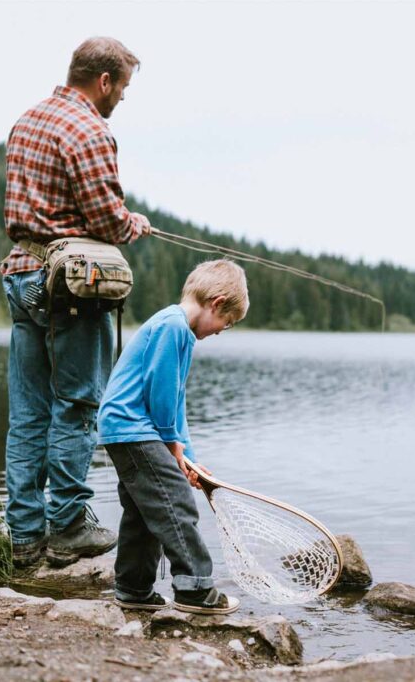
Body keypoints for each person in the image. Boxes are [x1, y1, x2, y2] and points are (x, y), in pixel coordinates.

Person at [0, 37, 150, 568]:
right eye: (123, 87)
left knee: (28, 415)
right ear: (104, 80)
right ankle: (66, 525)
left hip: (22, 277)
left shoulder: (28, 119)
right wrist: (135, 224)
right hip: (66, 290)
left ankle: (23, 536)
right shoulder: (90, 129)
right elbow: (107, 220)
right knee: (78, 406)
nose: (123, 99)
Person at [98, 259, 248, 614]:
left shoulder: (179, 331)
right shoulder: (173, 327)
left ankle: (133, 589)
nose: (220, 331)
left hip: (129, 430)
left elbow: (176, 403)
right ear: (217, 303)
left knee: (144, 510)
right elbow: (160, 395)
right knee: (176, 502)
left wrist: (188, 458)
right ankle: (195, 588)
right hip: (133, 428)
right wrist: (170, 445)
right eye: (225, 324)